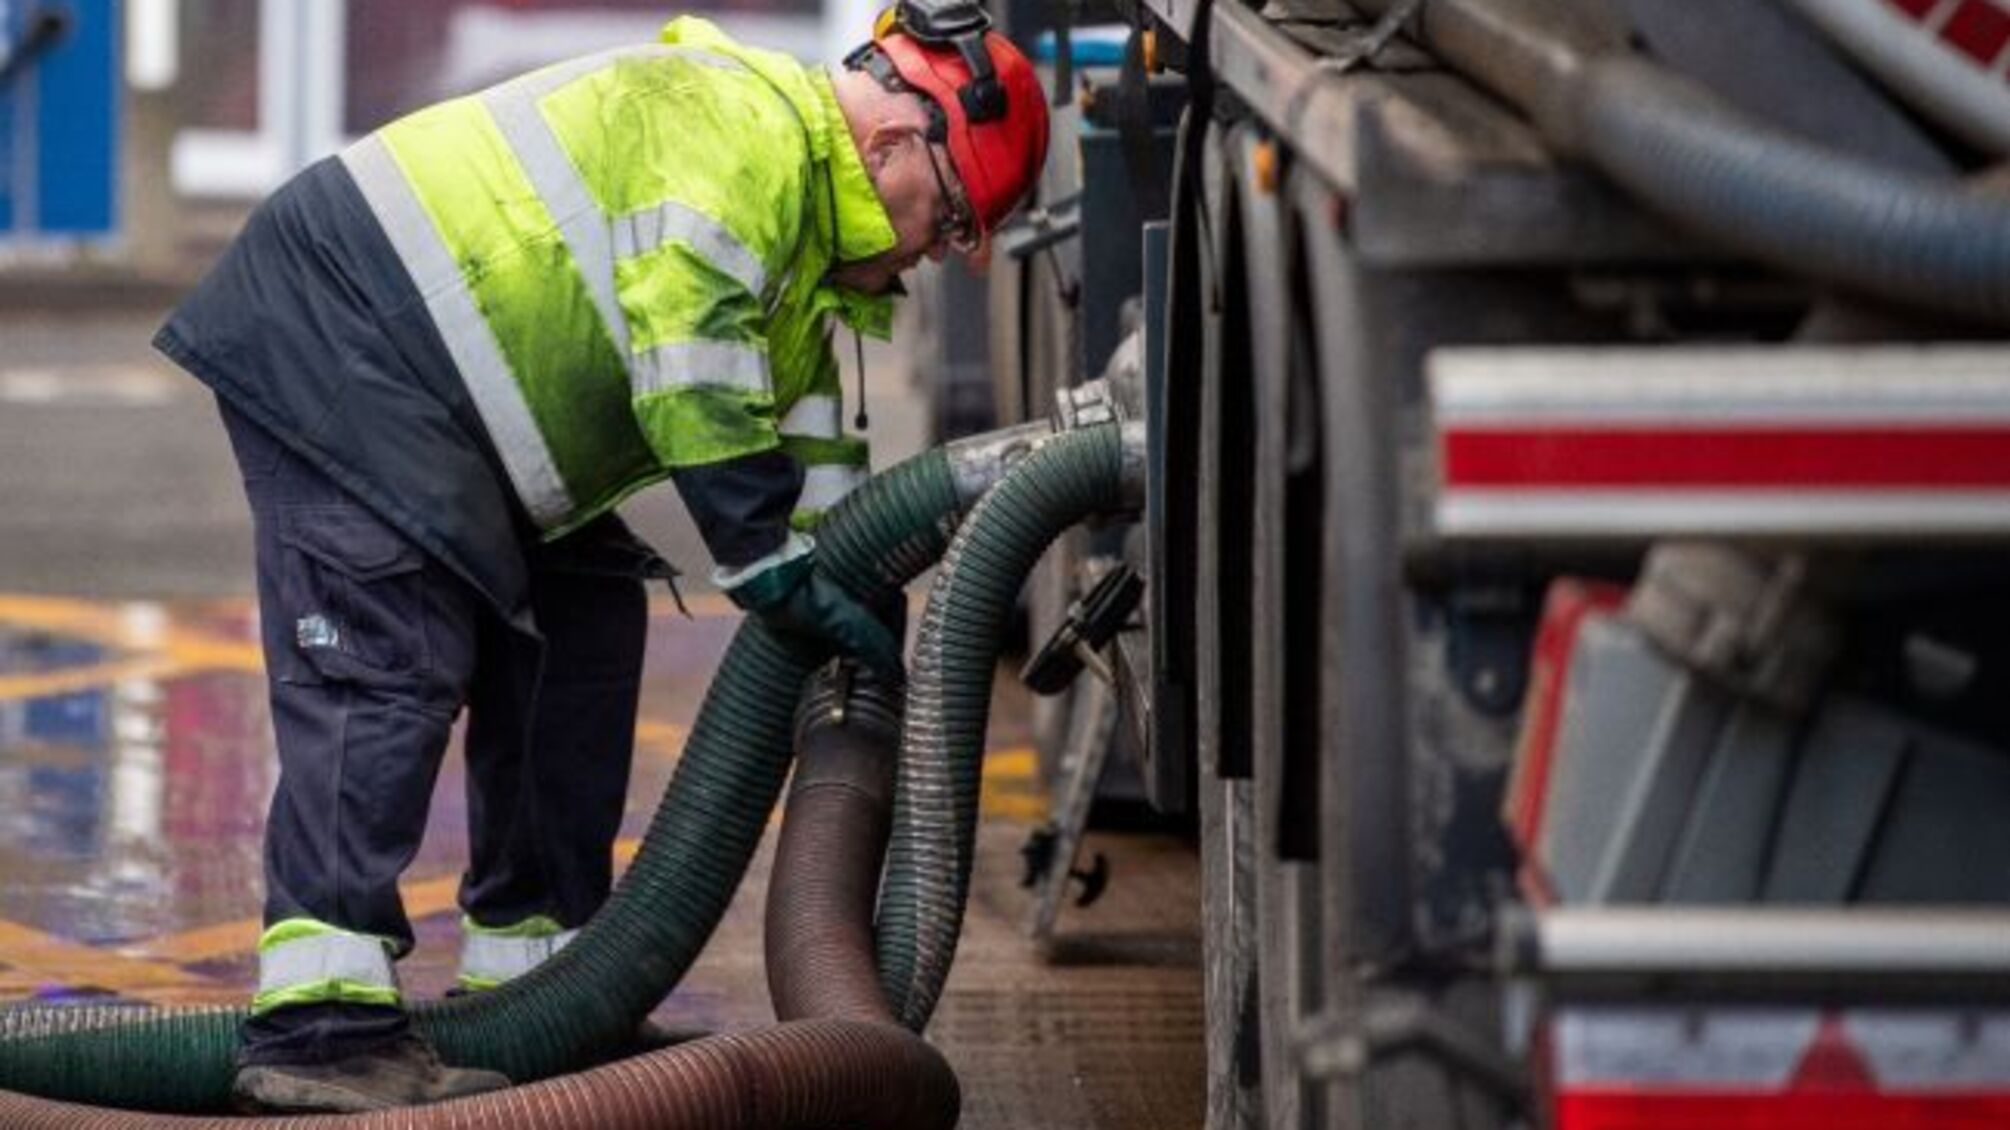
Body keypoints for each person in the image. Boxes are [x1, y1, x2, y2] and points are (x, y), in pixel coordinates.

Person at [153, 5, 1048, 1114]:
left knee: (579, 635)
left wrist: (842, 595)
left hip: (469, 399)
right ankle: (318, 1027)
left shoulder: (818, 261)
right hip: (347, 332)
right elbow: (690, 345)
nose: (933, 251)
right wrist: (765, 560)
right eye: (946, 217)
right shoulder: (743, 130)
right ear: (891, 145)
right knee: (382, 667)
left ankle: (542, 993)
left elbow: (815, 456)